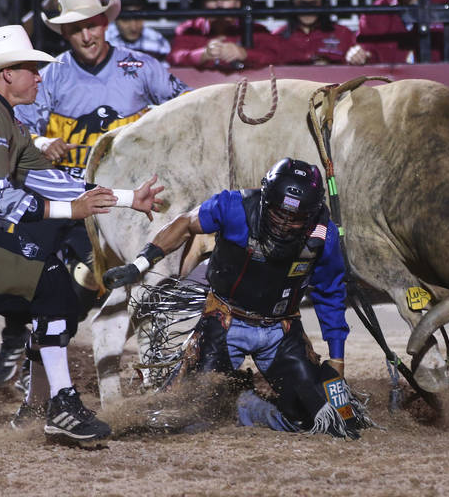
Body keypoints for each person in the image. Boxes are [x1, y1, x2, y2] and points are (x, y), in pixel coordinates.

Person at [0, 24, 164, 444]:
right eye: (32, 69)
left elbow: (54, 181)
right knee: (53, 284)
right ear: (7, 73)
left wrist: (130, 197)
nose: (40, 78)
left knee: (49, 300)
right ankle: (59, 404)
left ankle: (40, 406)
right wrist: (71, 210)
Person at [0, 0, 189, 390]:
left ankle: (45, 361)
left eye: (93, 24)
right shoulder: (51, 76)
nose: (87, 35)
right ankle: (24, 346)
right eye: (77, 27)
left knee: (108, 284)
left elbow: (185, 108)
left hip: (127, 204)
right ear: (64, 32)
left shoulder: (141, 67)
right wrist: (41, 141)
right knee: (55, 278)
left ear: (105, 22)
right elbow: (17, 124)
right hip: (67, 197)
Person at [103, 158, 362, 438]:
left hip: (281, 329)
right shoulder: (234, 206)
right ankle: (224, 400)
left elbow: (330, 292)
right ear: (265, 201)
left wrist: (337, 358)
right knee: (185, 416)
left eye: (296, 219)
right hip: (225, 321)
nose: (286, 225)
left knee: (331, 419)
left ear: (311, 214)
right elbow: (185, 224)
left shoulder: (325, 234)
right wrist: (138, 265)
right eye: (279, 215)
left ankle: (245, 407)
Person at [168, 0, 278, 71]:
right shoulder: (190, 29)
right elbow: (174, 57)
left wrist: (244, 54)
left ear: (238, 2)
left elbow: (279, 55)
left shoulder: (256, 30)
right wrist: (203, 54)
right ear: (203, 3)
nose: (219, 4)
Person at [272, 0, 356, 65]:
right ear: (293, 4)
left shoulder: (343, 35)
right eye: (302, 4)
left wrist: (357, 56)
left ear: (323, 4)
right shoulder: (277, 38)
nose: (308, 10)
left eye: (313, 4)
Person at [105, 0, 171, 63]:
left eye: (138, 18)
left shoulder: (157, 40)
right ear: (115, 19)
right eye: (126, 19)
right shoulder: (104, 39)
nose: (133, 27)